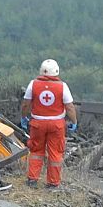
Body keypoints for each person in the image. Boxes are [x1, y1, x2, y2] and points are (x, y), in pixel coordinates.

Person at [20, 59, 77, 189]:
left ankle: (32, 180)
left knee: (36, 151)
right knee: (55, 153)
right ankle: (53, 183)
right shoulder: (63, 86)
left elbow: (25, 104)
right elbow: (70, 107)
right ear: (56, 72)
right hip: (57, 124)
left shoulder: (32, 84)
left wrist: (23, 117)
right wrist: (74, 121)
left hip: (37, 123)